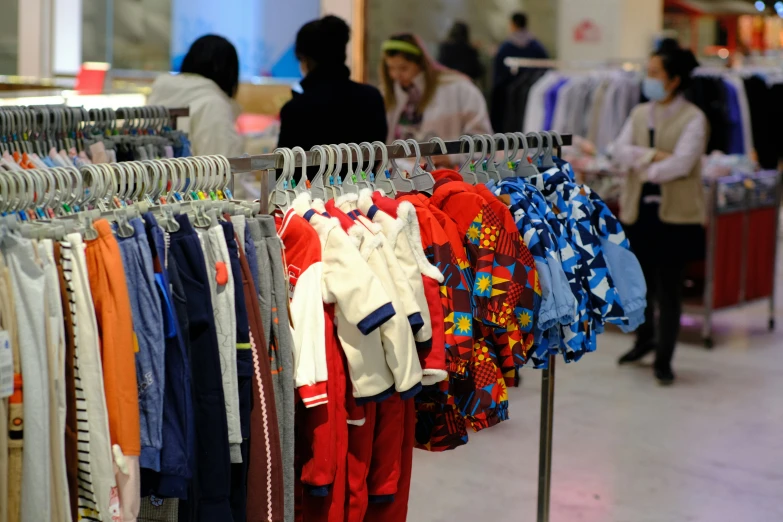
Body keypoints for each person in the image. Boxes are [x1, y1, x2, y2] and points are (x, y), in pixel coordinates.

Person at [611, 42, 708, 385]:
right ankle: (644, 340)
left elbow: (681, 164)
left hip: (676, 219)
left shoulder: (694, 118)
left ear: (673, 80)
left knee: (669, 290)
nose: (647, 79)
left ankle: (664, 357)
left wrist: (643, 164)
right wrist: (654, 156)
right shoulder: (640, 113)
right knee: (640, 285)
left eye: (654, 74)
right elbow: (617, 150)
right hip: (640, 215)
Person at [278, 15, 388, 155]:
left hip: (311, 178)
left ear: (305, 60)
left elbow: (284, 170)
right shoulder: (372, 97)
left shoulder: (296, 109)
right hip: (366, 177)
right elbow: (378, 155)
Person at [381, 33, 492, 146]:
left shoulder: (459, 88)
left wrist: (451, 157)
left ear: (420, 64)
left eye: (403, 68)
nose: (396, 75)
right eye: (390, 68)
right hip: (397, 163)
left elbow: (481, 138)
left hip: (445, 163)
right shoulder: (386, 94)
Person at [148, 35, 243, 157]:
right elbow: (220, 166)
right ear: (229, 73)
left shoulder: (161, 93)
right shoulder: (213, 105)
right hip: (195, 175)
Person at [491, 12, 548, 130]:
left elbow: (498, 76)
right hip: (532, 92)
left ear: (513, 25)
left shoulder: (505, 47)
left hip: (507, 97)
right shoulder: (537, 46)